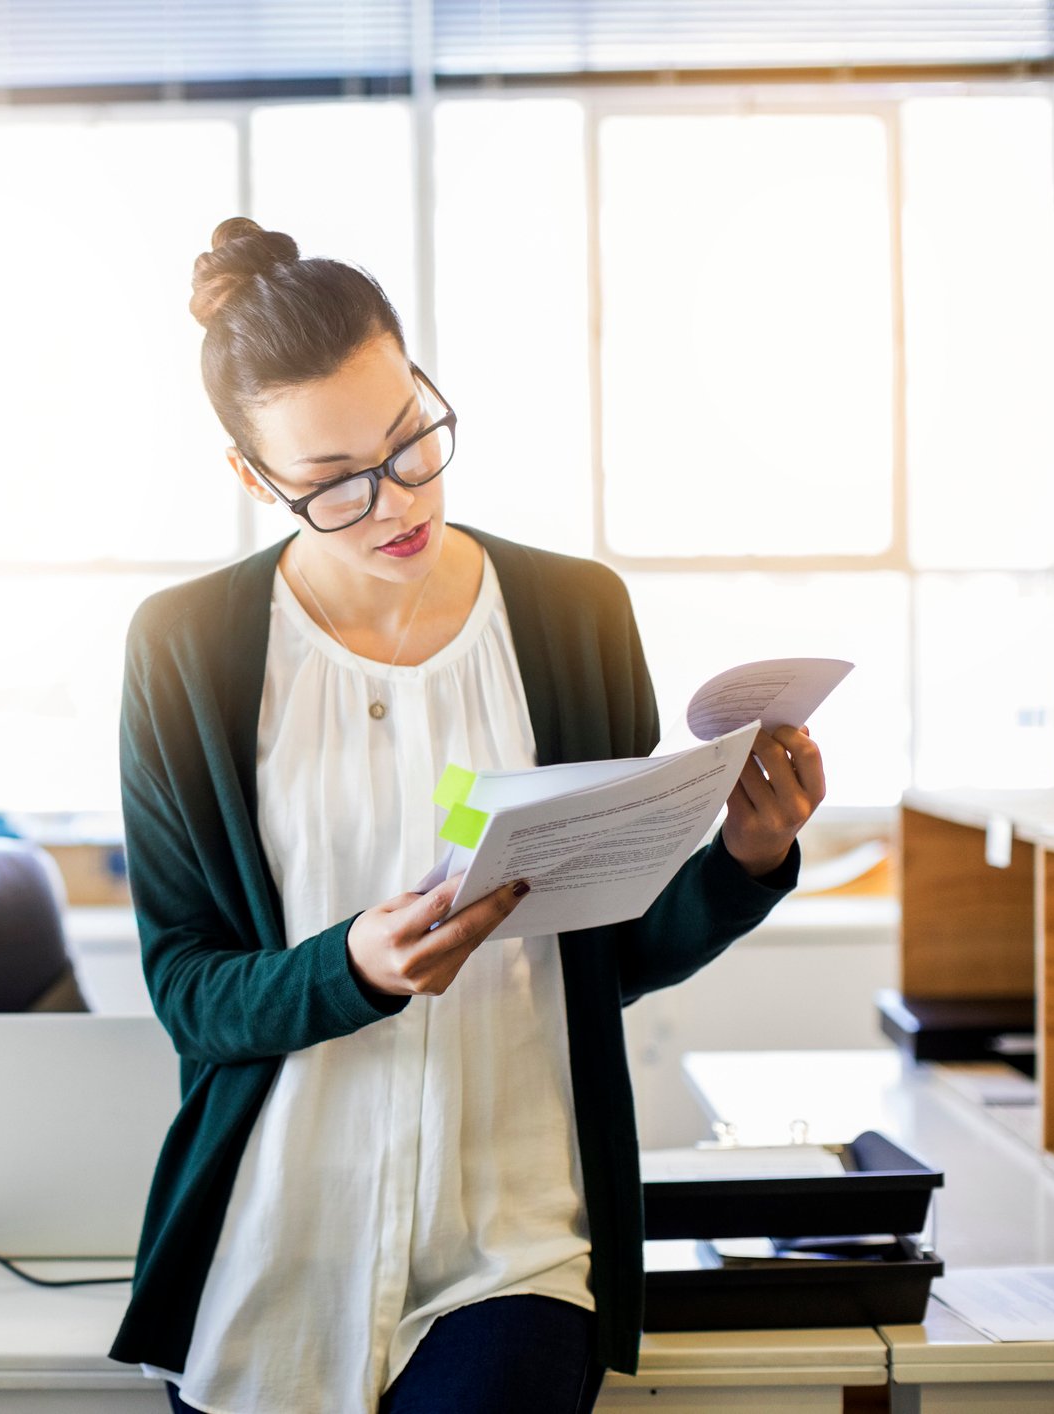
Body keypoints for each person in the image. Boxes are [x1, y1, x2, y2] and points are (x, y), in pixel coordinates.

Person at [109, 217, 826, 1414]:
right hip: (277, 1245)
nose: (395, 498)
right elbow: (187, 986)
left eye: (410, 441)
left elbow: (607, 950)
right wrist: (350, 966)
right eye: (334, 481)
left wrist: (748, 856)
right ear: (254, 478)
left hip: (516, 1239)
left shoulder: (575, 613)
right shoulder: (184, 650)